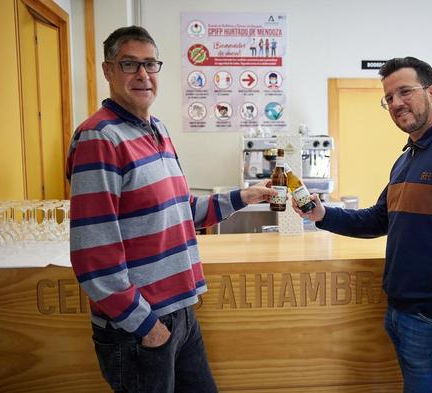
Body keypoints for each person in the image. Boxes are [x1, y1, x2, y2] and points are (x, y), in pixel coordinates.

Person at [66, 26, 277, 393]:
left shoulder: (156, 130)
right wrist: (148, 328)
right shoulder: (100, 137)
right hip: (140, 326)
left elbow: (183, 211)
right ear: (108, 70)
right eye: (129, 64)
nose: (143, 75)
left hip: (180, 312)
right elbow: (93, 255)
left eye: (150, 64)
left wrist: (245, 196)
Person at [293, 56, 432, 393]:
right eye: (388, 98)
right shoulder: (408, 157)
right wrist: (324, 215)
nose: (396, 103)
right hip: (401, 314)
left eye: (405, 91)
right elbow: (380, 218)